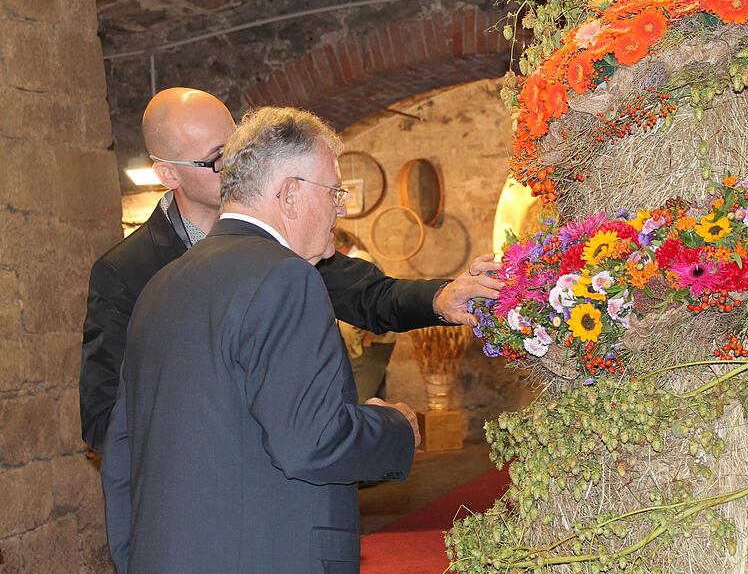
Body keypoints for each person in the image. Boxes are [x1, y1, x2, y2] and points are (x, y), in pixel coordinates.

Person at [102, 106, 437, 573]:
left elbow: (121, 457)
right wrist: (394, 427)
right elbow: (310, 440)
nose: (340, 208)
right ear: (291, 194)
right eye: (334, 191)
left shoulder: (161, 285)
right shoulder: (285, 277)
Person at [80, 87, 500, 452]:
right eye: (217, 159)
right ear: (168, 173)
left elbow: (366, 293)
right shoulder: (125, 272)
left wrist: (440, 299)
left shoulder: (282, 239)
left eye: (238, 147)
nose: (237, 165)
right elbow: (103, 420)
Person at [332, 228, 397, 402]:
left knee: (361, 399)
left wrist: (368, 338)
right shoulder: (359, 259)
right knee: (374, 398)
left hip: (369, 344)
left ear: (340, 246)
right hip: (367, 343)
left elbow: (375, 301)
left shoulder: (359, 259)